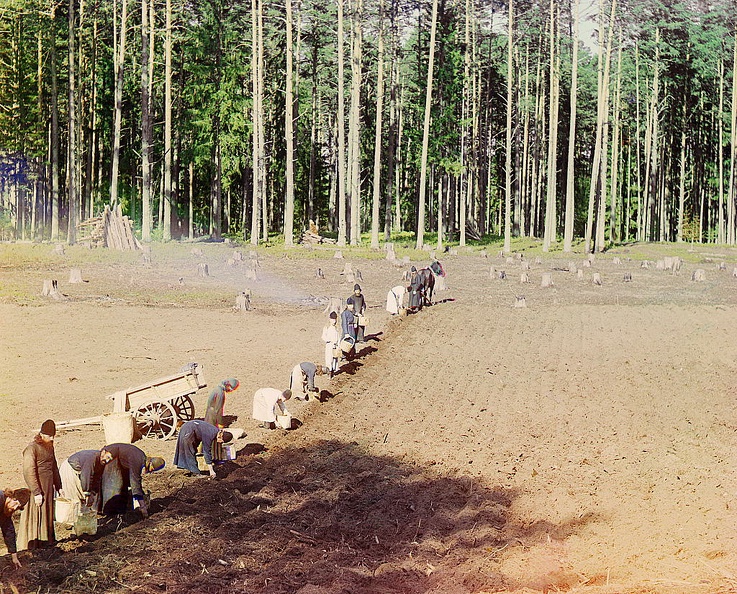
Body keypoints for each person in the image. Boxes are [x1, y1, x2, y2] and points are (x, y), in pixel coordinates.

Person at [17, 419, 61, 551]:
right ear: (41, 434)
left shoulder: (50, 447)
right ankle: (33, 544)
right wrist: (36, 492)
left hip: (48, 487)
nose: (51, 438)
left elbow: (54, 467)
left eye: (53, 436)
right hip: (37, 487)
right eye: (49, 436)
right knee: (36, 514)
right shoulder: (32, 448)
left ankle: (46, 540)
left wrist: (59, 486)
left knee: (47, 513)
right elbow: (28, 471)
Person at [98, 444, 165, 517]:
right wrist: (142, 506)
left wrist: (139, 492)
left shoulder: (141, 457)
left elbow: (135, 479)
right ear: (151, 465)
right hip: (111, 455)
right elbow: (135, 481)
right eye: (151, 470)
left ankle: (121, 510)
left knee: (124, 484)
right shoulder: (138, 460)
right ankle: (109, 512)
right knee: (114, 486)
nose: (150, 472)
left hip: (119, 461)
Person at [0, 488, 28, 568]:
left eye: (18, 507)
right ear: (10, 497)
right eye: (15, 503)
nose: (15, 508)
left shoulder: (6, 511)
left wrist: (14, 557)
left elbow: (9, 532)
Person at [321, 311, 340, 378]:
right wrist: (328, 340)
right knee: (329, 359)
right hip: (329, 345)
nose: (334, 321)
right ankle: (329, 373)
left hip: (335, 345)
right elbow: (323, 336)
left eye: (335, 319)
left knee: (335, 359)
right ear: (330, 319)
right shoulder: (326, 327)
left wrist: (338, 345)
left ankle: (333, 372)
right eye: (332, 319)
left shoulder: (336, 328)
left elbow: (338, 337)